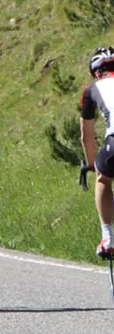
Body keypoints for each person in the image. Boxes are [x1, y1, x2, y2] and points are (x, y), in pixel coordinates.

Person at [78, 46, 114, 256]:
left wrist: (92, 165)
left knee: (103, 178)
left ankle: (107, 237)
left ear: (96, 71)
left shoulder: (92, 89)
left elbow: (87, 136)